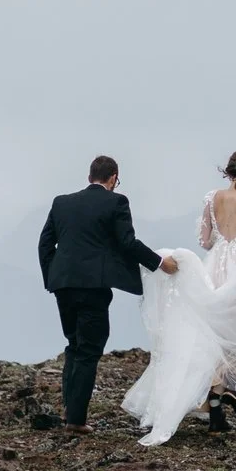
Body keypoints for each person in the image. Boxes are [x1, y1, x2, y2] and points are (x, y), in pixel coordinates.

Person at [120, 150, 236, 445]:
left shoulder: (212, 198)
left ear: (227, 172)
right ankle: (224, 392)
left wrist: (224, 240)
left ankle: (215, 407)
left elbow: (205, 240)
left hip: (214, 264)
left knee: (210, 334)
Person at [37, 155, 176, 437]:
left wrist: (53, 278)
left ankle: (69, 409)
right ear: (113, 178)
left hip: (62, 285)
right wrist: (161, 263)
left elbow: (44, 244)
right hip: (93, 288)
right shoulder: (116, 202)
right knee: (89, 350)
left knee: (74, 345)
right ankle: (75, 420)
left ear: (90, 177)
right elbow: (127, 243)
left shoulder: (61, 202)